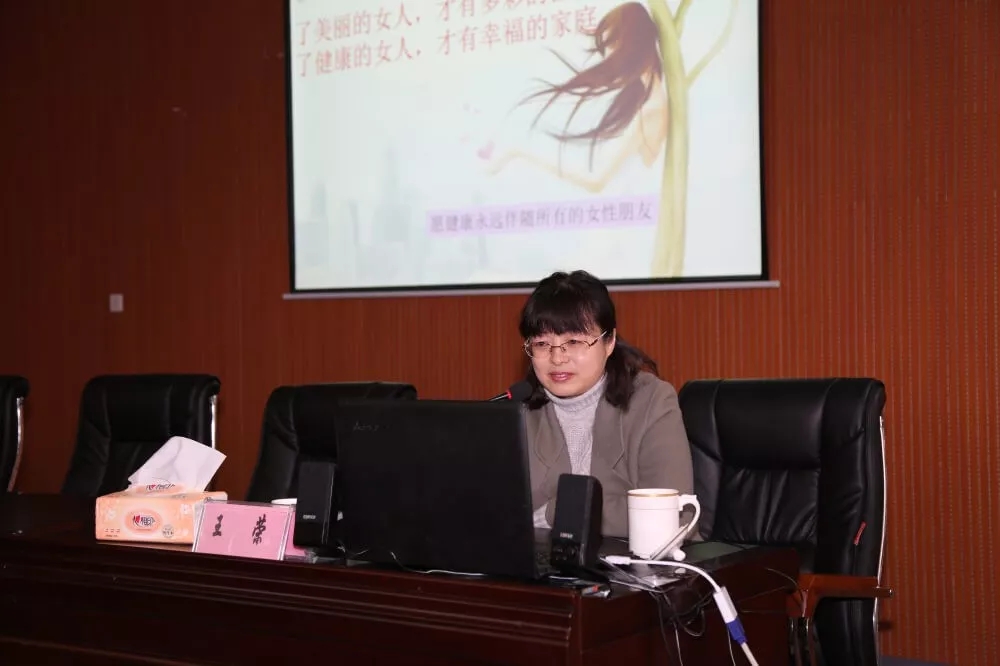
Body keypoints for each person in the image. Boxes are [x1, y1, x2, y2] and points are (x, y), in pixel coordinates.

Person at [519, 270, 695, 539]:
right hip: (546, 562)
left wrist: (558, 512)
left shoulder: (651, 401)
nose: (557, 358)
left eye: (573, 342)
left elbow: (671, 514)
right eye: (542, 343)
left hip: (642, 561)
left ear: (609, 341)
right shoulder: (520, 412)